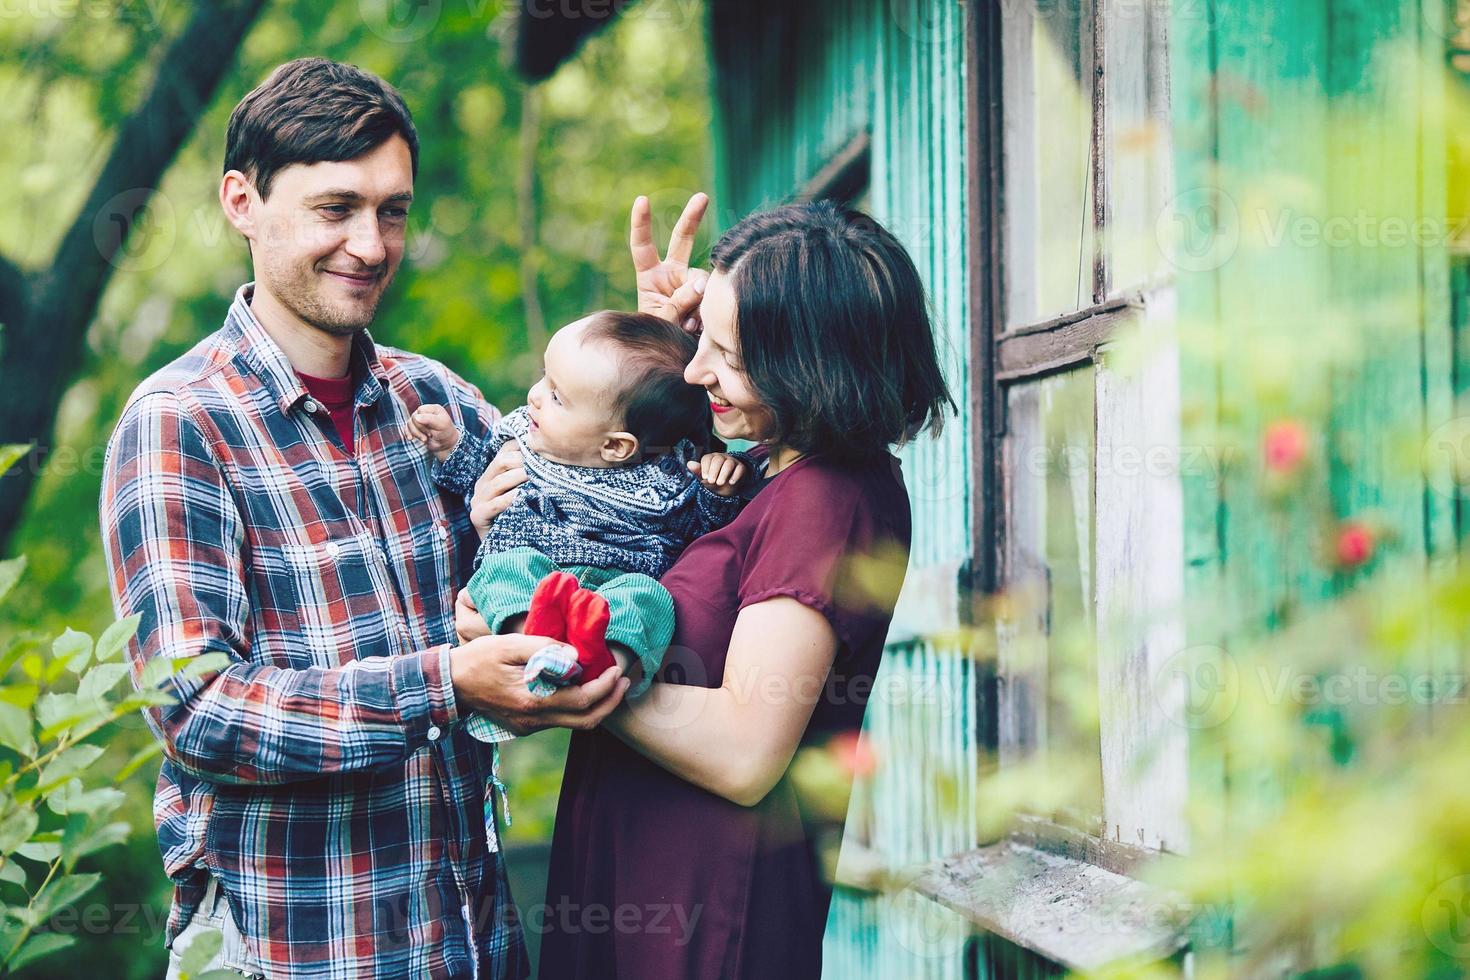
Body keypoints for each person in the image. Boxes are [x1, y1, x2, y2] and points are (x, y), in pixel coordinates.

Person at [99, 58, 632, 980]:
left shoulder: (433, 399)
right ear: (241, 202)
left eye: (392, 210)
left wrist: (657, 382)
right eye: (335, 208)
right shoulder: (177, 424)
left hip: (471, 944)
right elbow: (200, 709)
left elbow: (594, 524)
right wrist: (447, 684)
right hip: (297, 953)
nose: (373, 243)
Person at [458, 198, 955, 978]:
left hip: (704, 921)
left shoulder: (824, 500)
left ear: (808, 364)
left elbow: (742, 750)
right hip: (652, 890)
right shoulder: (762, 470)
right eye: (702, 342)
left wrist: (566, 667)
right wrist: (655, 361)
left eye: (727, 354)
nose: (697, 370)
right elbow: (634, 503)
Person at [409, 309, 754, 736]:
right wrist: (450, 448)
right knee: (503, 568)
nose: (535, 396)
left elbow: (698, 534)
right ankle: (533, 644)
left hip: (612, 590)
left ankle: (602, 663)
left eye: (557, 397)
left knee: (649, 598)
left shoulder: (673, 476)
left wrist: (717, 493)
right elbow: (479, 475)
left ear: (615, 446)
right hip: (536, 572)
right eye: (544, 378)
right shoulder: (522, 440)